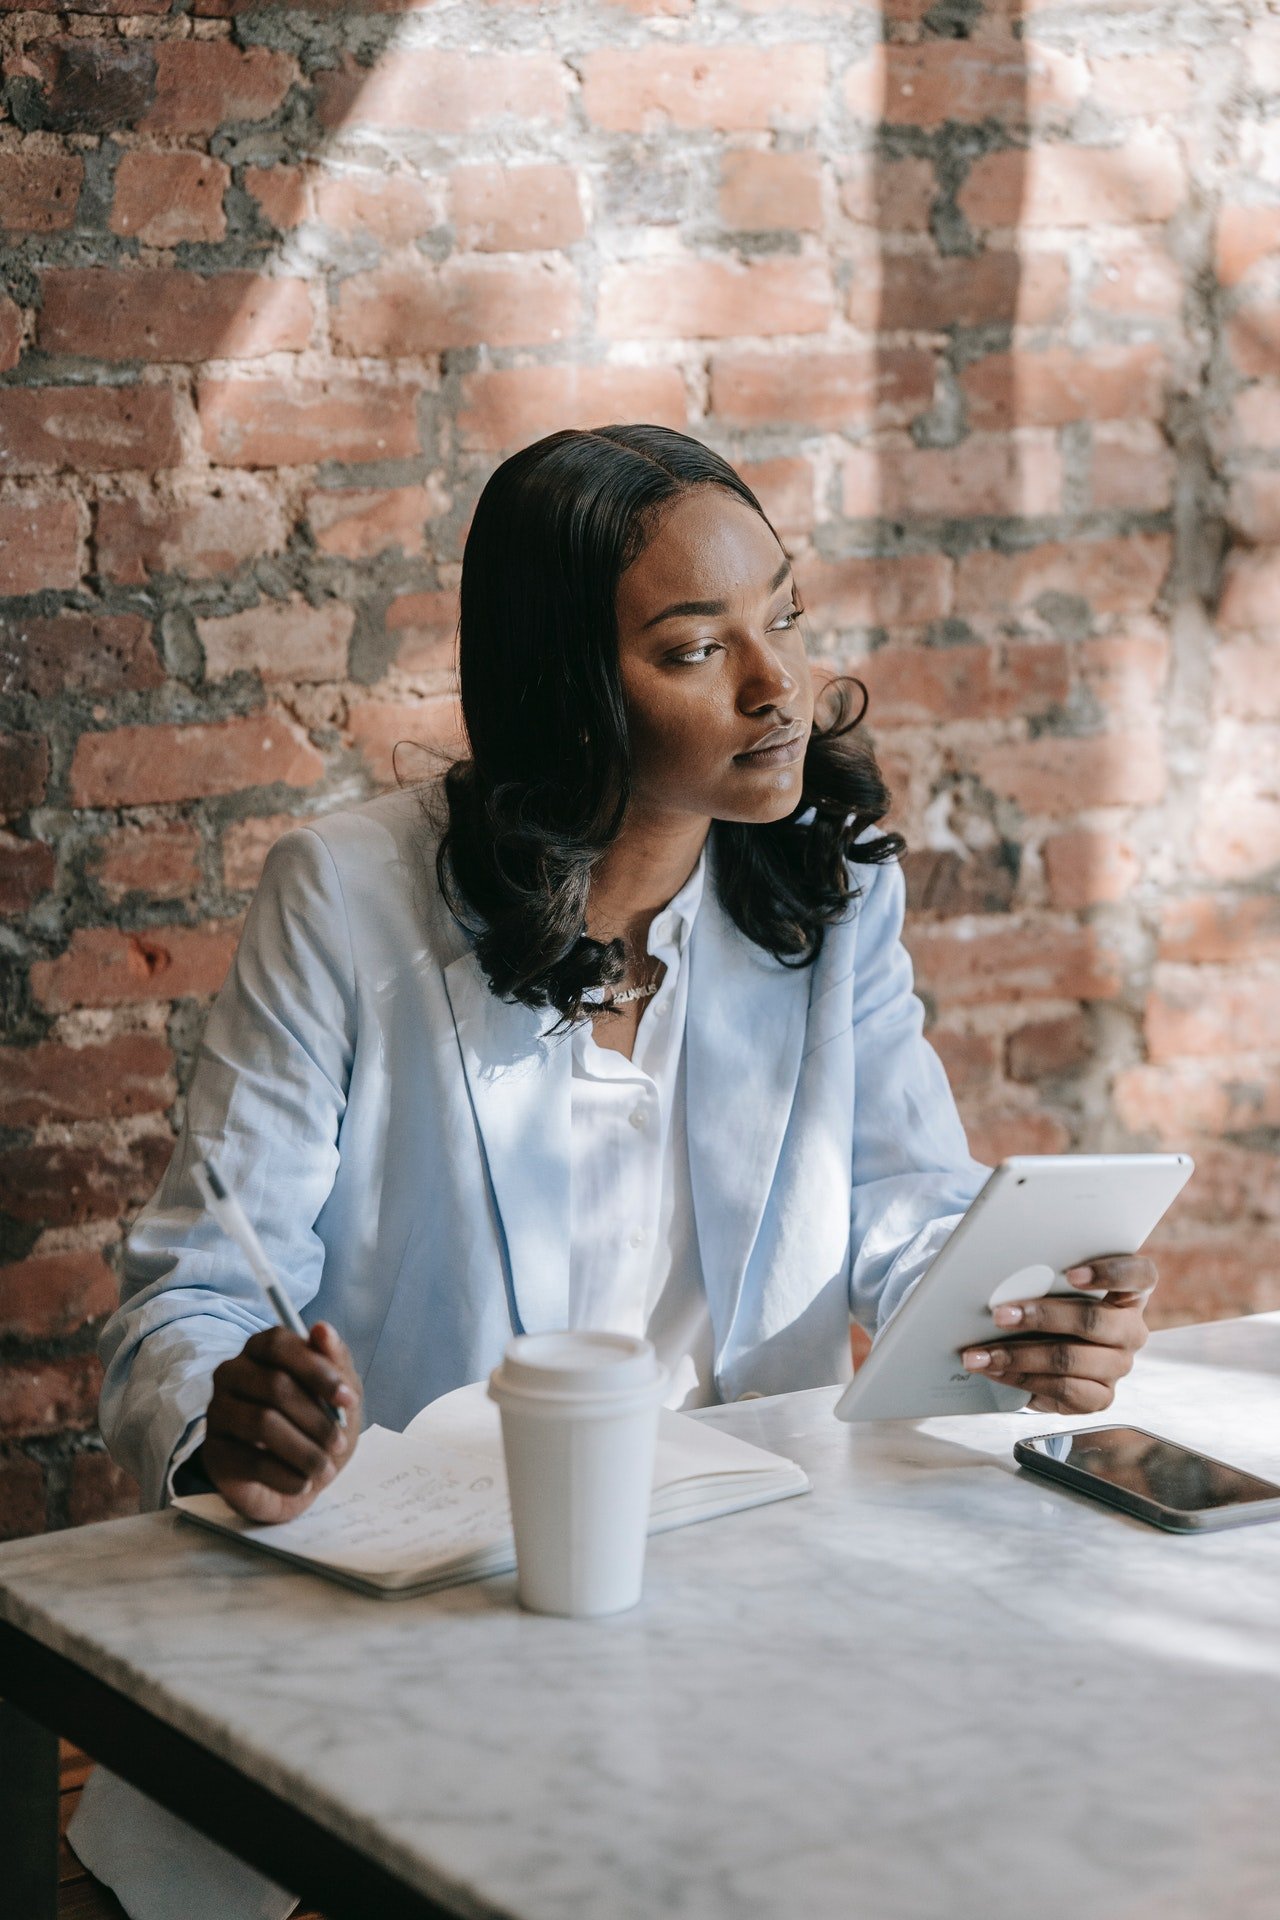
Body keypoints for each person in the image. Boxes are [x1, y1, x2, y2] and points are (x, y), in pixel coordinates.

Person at [68, 426, 1156, 1920]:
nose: (772, 686)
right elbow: (190, 1292)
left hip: (737, 1594)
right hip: (422, 1616)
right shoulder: (347, 901)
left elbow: (906, 1209)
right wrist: (227, 1427)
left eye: (780, 615)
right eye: (698, 647)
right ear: (568, 687)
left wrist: (1019, 1307)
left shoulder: (830, 899)